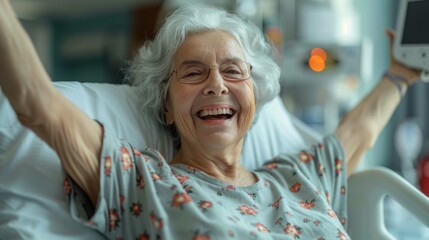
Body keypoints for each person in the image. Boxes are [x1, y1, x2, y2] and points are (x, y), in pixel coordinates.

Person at [0, 2, 422, 239]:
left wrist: (402, 74)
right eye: (193, 72)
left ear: (254, 97)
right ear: (165, 105)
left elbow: (357, 132)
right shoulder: (143, 181)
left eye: (234, 71)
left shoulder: (298, 177)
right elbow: (40, 104)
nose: (217, 84)